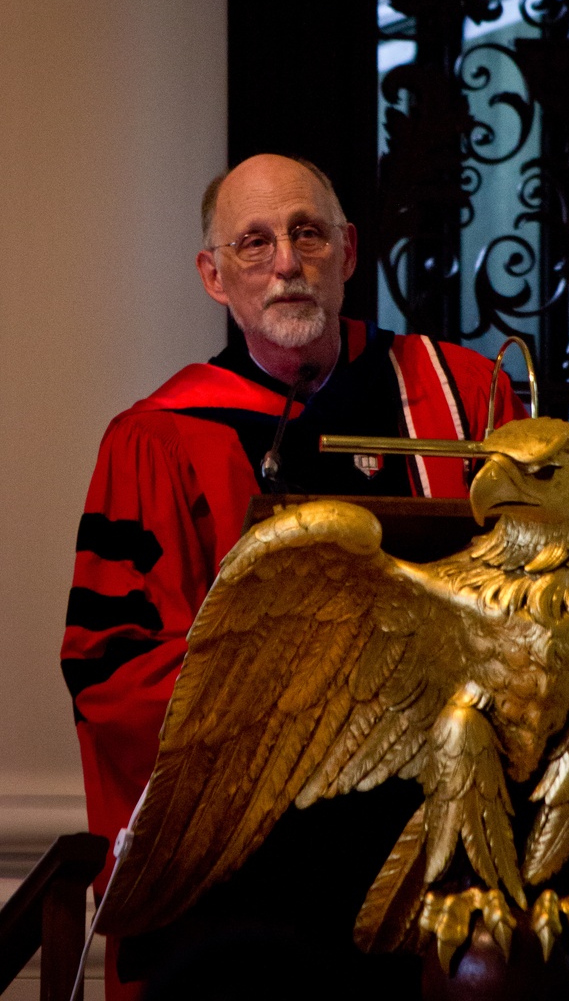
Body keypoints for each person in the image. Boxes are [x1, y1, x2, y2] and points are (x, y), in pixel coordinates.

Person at [61, 153, 526, 999]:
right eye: (253, 242)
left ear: (348, 251)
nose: (285, 261)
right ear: (213, 276)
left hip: (440, 841)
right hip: (247, 858)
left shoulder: (469, 402)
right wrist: (308, 706)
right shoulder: (156, 442)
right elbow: (113, 669)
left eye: (307, 233)